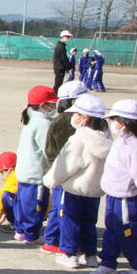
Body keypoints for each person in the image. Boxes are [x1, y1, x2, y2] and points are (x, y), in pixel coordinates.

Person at [43, 94, 111, 269]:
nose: (73, 118)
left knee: (70, 220)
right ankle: (90, 255)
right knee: (89, 222)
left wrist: (50, 180)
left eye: (76, 114)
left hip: (75, 189)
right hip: (95, 190)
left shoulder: (79, 138)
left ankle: (68, 253)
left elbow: (65, 165)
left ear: (84, 117)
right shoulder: (106, 136)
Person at [90, 99, 137, 274]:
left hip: (126, 197)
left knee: (128, 232)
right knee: (111, 229)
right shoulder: (121, 140)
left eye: (115, 120)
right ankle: (107, 264)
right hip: (113, 194)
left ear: (126, 122)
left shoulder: (135, 145)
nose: (113, 124)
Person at [42, 80, 89, 253]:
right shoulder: (66, 121)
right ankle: (56, 240)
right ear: (73, 101)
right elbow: (56, 152)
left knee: (65, 209)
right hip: (64, 175)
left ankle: (59, 239)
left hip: (74, 175)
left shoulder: (81, 119)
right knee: (63, 209)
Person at [13, 86, 57, 245]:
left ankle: (20, 230)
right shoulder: (44, 124)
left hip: (24, 171)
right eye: (52, 104)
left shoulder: (30, 119)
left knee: (22, 203)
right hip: (36, 173)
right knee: (35, 205)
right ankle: (31, 235)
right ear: (43, 105)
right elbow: (48, 149)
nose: (54, 108)